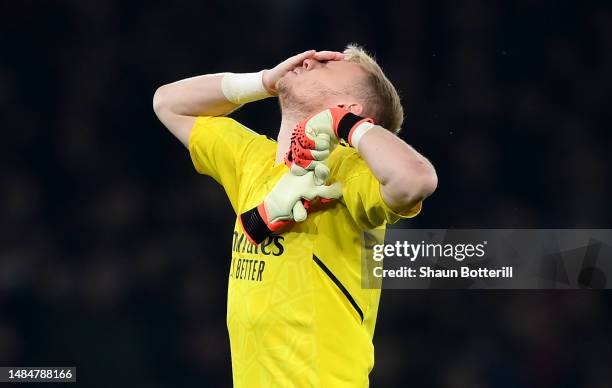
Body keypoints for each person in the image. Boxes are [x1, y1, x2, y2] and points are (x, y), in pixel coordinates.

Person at [153, 44, 437, 387]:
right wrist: (265, 81)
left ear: (349, 108)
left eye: (326, 65)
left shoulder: (349, 171)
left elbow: (416, 179)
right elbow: (168, 103)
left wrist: (345, 125)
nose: (309, 58)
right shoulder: (252, 159)